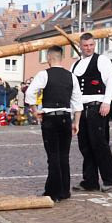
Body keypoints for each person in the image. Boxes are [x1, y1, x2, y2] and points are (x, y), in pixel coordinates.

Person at [25, 46, 82, 202]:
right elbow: (77, 102)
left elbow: (30, 93)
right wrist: (76, 122)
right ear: (61, 58)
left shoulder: (44, 74)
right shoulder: (71, 76)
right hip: (65, 118)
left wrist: (35, 110)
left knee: (53, 156)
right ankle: (64, 190)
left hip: (50, 117)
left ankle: (53, 192)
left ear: (49, 58)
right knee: (64, 155)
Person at [70, 33, 112, 192]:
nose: (89, 48)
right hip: (81, 109)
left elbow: (111, 81)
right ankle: (90, 180)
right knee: (85, 146)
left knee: (99, 144)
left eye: (91, 45)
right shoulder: (75, 65)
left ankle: (110, 177)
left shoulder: (102, 60)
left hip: (96, 107)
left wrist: (107, 102)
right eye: (85, 45)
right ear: (80, 46)